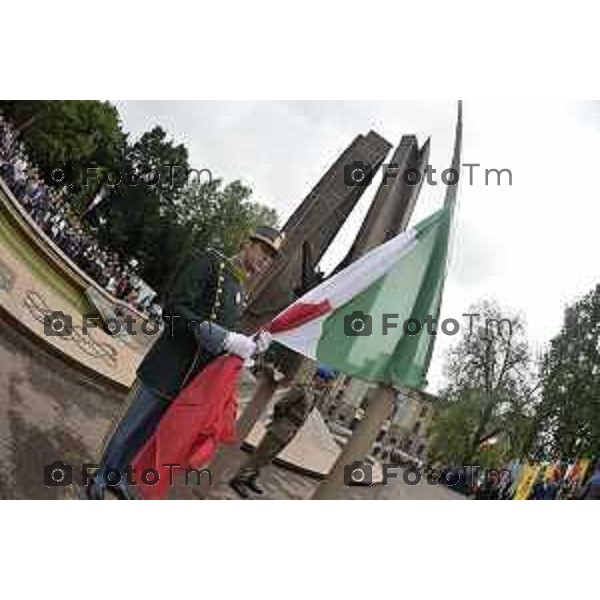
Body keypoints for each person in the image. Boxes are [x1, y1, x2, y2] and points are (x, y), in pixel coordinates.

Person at [86, 226, 283, 500]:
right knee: (129, 426)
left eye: (272, 257)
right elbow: (174, 309)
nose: (266, 260)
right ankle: (100, 472)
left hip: (189, 381)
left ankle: (117, 474)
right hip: (167, 366)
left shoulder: (239, 291)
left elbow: (222, 340)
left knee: (148, 432)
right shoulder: (208, 262)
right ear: (247, 243)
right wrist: (222, 337)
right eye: (264, 249)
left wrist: (246, 348)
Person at [229, 365, 335, 498]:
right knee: (261, 454)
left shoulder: (314, 395)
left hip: (291, 431)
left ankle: (251, 477)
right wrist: (280, 421)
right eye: (326, 381)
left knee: (269, 457)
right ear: (319, 378)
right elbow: (281, 404)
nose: (327, 385)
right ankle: (239, 479)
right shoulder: (301, 389)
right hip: (282, 427)